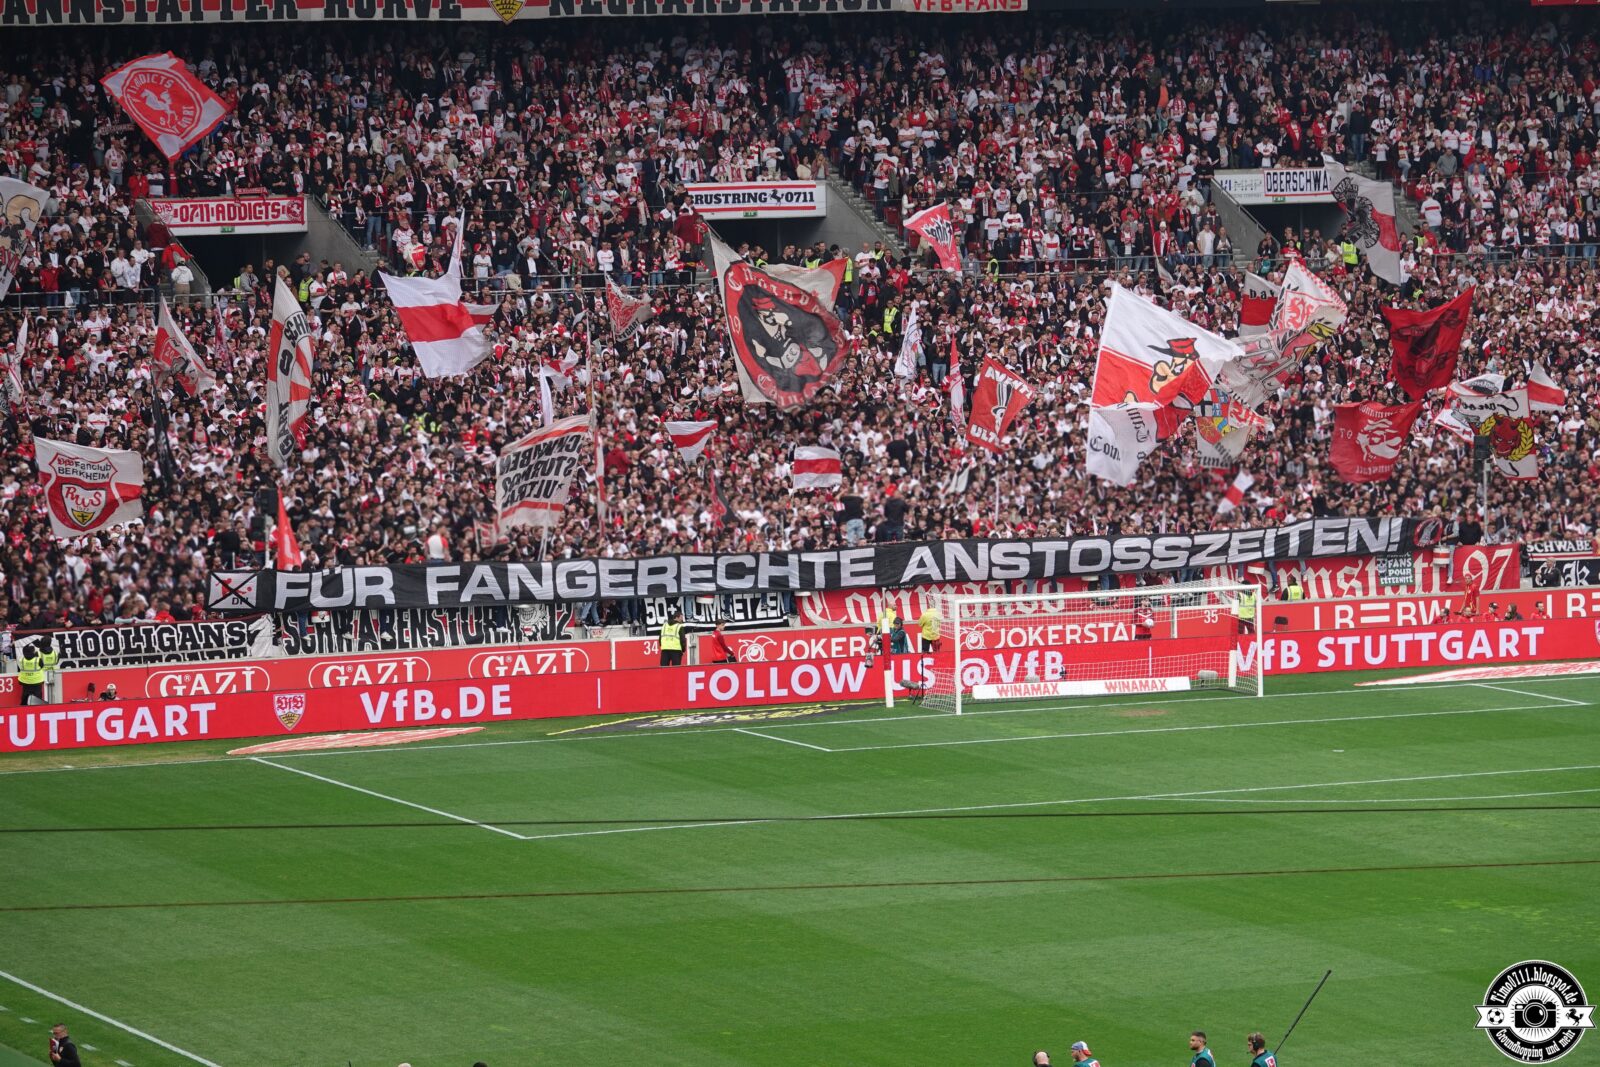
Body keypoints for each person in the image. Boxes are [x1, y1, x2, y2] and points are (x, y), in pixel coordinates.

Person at [16, 637, 49, 706]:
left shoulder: (21, 660)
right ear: (33, 652)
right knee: (37, 698)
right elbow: (42, 666)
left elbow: (20, 668)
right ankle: (37, 710)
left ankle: (23, 709)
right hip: (37, 681)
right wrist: (36, 655)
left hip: (25, 681)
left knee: (25, 697)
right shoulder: (37, 660)